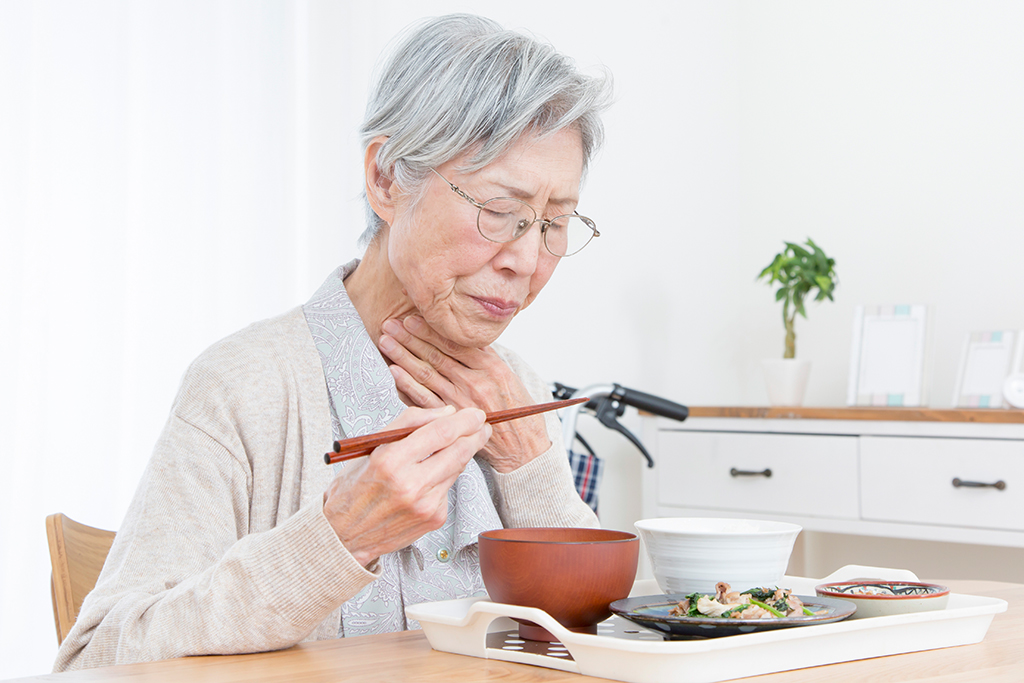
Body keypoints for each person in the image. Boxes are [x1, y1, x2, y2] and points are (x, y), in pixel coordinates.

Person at [55, 13, 611, 671]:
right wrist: (338, 537)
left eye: (553, 223)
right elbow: (93, 660)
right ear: (386, 179)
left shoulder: (517, 391)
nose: (527, 259)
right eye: (499, 211)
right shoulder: (245, 386)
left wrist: (531, 469)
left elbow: (598, 640)